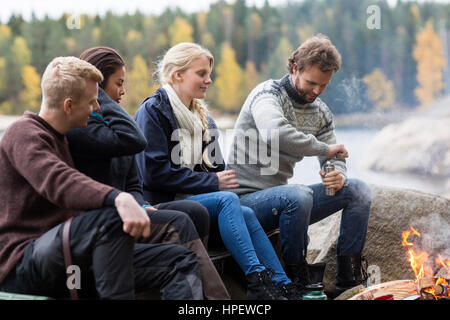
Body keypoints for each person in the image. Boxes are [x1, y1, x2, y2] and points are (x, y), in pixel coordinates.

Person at [0, 56, 203, 300]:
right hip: (24, 262)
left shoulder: (65, 138)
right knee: (110, 219)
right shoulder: (24, 133)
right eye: (92, 101)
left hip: (69, 255)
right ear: (68, 106)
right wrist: (118, 198)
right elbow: (57, 181)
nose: (98, 108)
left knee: (178, 260)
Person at [134, 42, 301, 300]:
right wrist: (212, 181)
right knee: (226, 200)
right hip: (161, 204)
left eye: (209, 74)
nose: (209, 80)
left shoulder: (203, 117)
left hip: (194, 201)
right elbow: (154, 174)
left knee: (243, 211)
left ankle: (279, 284)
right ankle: (256, 279)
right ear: (177, 74)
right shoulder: (153, 111)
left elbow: (218, 170)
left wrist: (218, 178)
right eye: (201, 74)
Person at [66, 46, 229, 300]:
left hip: (130, 210)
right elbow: (135, 139)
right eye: (118, 83)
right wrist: (96, 92)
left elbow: (133, 182)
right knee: (180, 221)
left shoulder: (115, 127)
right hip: (100, 221)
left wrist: (140, 203)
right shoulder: (83, 128)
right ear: (95, 85)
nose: (123, 91)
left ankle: (201, 292)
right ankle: (217, 299)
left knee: (195, 213)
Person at [227, 34, 372, 297]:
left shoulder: (321, 112)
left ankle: (347, 282)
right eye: (311, 83)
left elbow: (334, 157)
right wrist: (324, 149)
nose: (316, 91)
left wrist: (337, 174)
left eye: (324, 86)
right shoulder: (267, 95)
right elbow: (275, 132)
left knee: (358, 191)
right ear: (295, 68)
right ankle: (297, 281)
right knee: (298, 195)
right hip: (243, 204)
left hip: (282, 201)